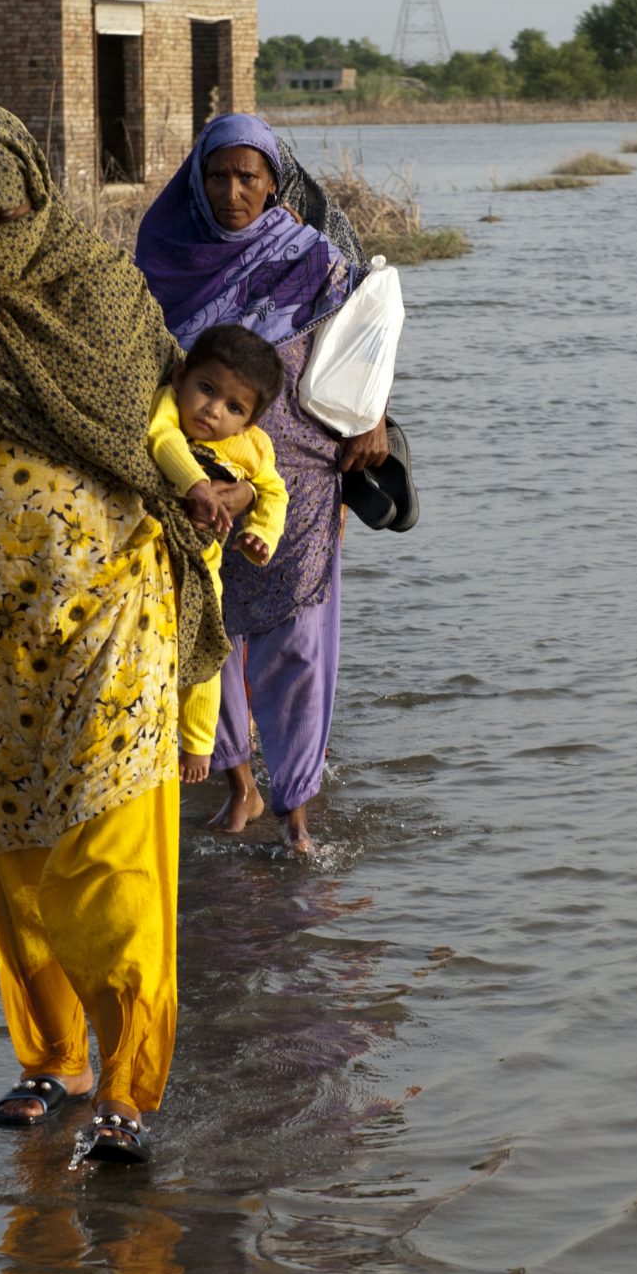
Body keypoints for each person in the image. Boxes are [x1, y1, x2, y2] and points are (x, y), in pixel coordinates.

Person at [0, 103, 234, 1166]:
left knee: (109, 860)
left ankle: (129, 1084)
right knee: (17, 858)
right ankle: (52, 1057)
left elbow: (161, 426)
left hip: (112, 616)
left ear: (36, 191)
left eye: (8, 211)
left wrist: (210, 494)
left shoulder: (100, 289)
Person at [134, 113, 393, 857]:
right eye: (217, 175)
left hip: (300, 482)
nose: (232, 191)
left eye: (249, 177)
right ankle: (238, 782)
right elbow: (141, 369)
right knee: (202, 631)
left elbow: (359, 353)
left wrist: (374, 417)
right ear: (196, 179)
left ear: (275, 186)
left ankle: (298, 807)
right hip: (195, 481)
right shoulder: (161, 254)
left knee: (299, 641)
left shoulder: (311, 257)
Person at [144, 323, 290, 787]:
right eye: (205, 389)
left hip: (204, 567)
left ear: (249, 422)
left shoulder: (252, 446)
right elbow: (162, 439)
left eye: (233, 408)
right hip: (150, 554)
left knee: (205, 654)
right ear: (182, 376)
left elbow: (274, 492)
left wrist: (262, 535)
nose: (212, 410)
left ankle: (199, 744)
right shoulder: (165, 404)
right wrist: (197, 485)